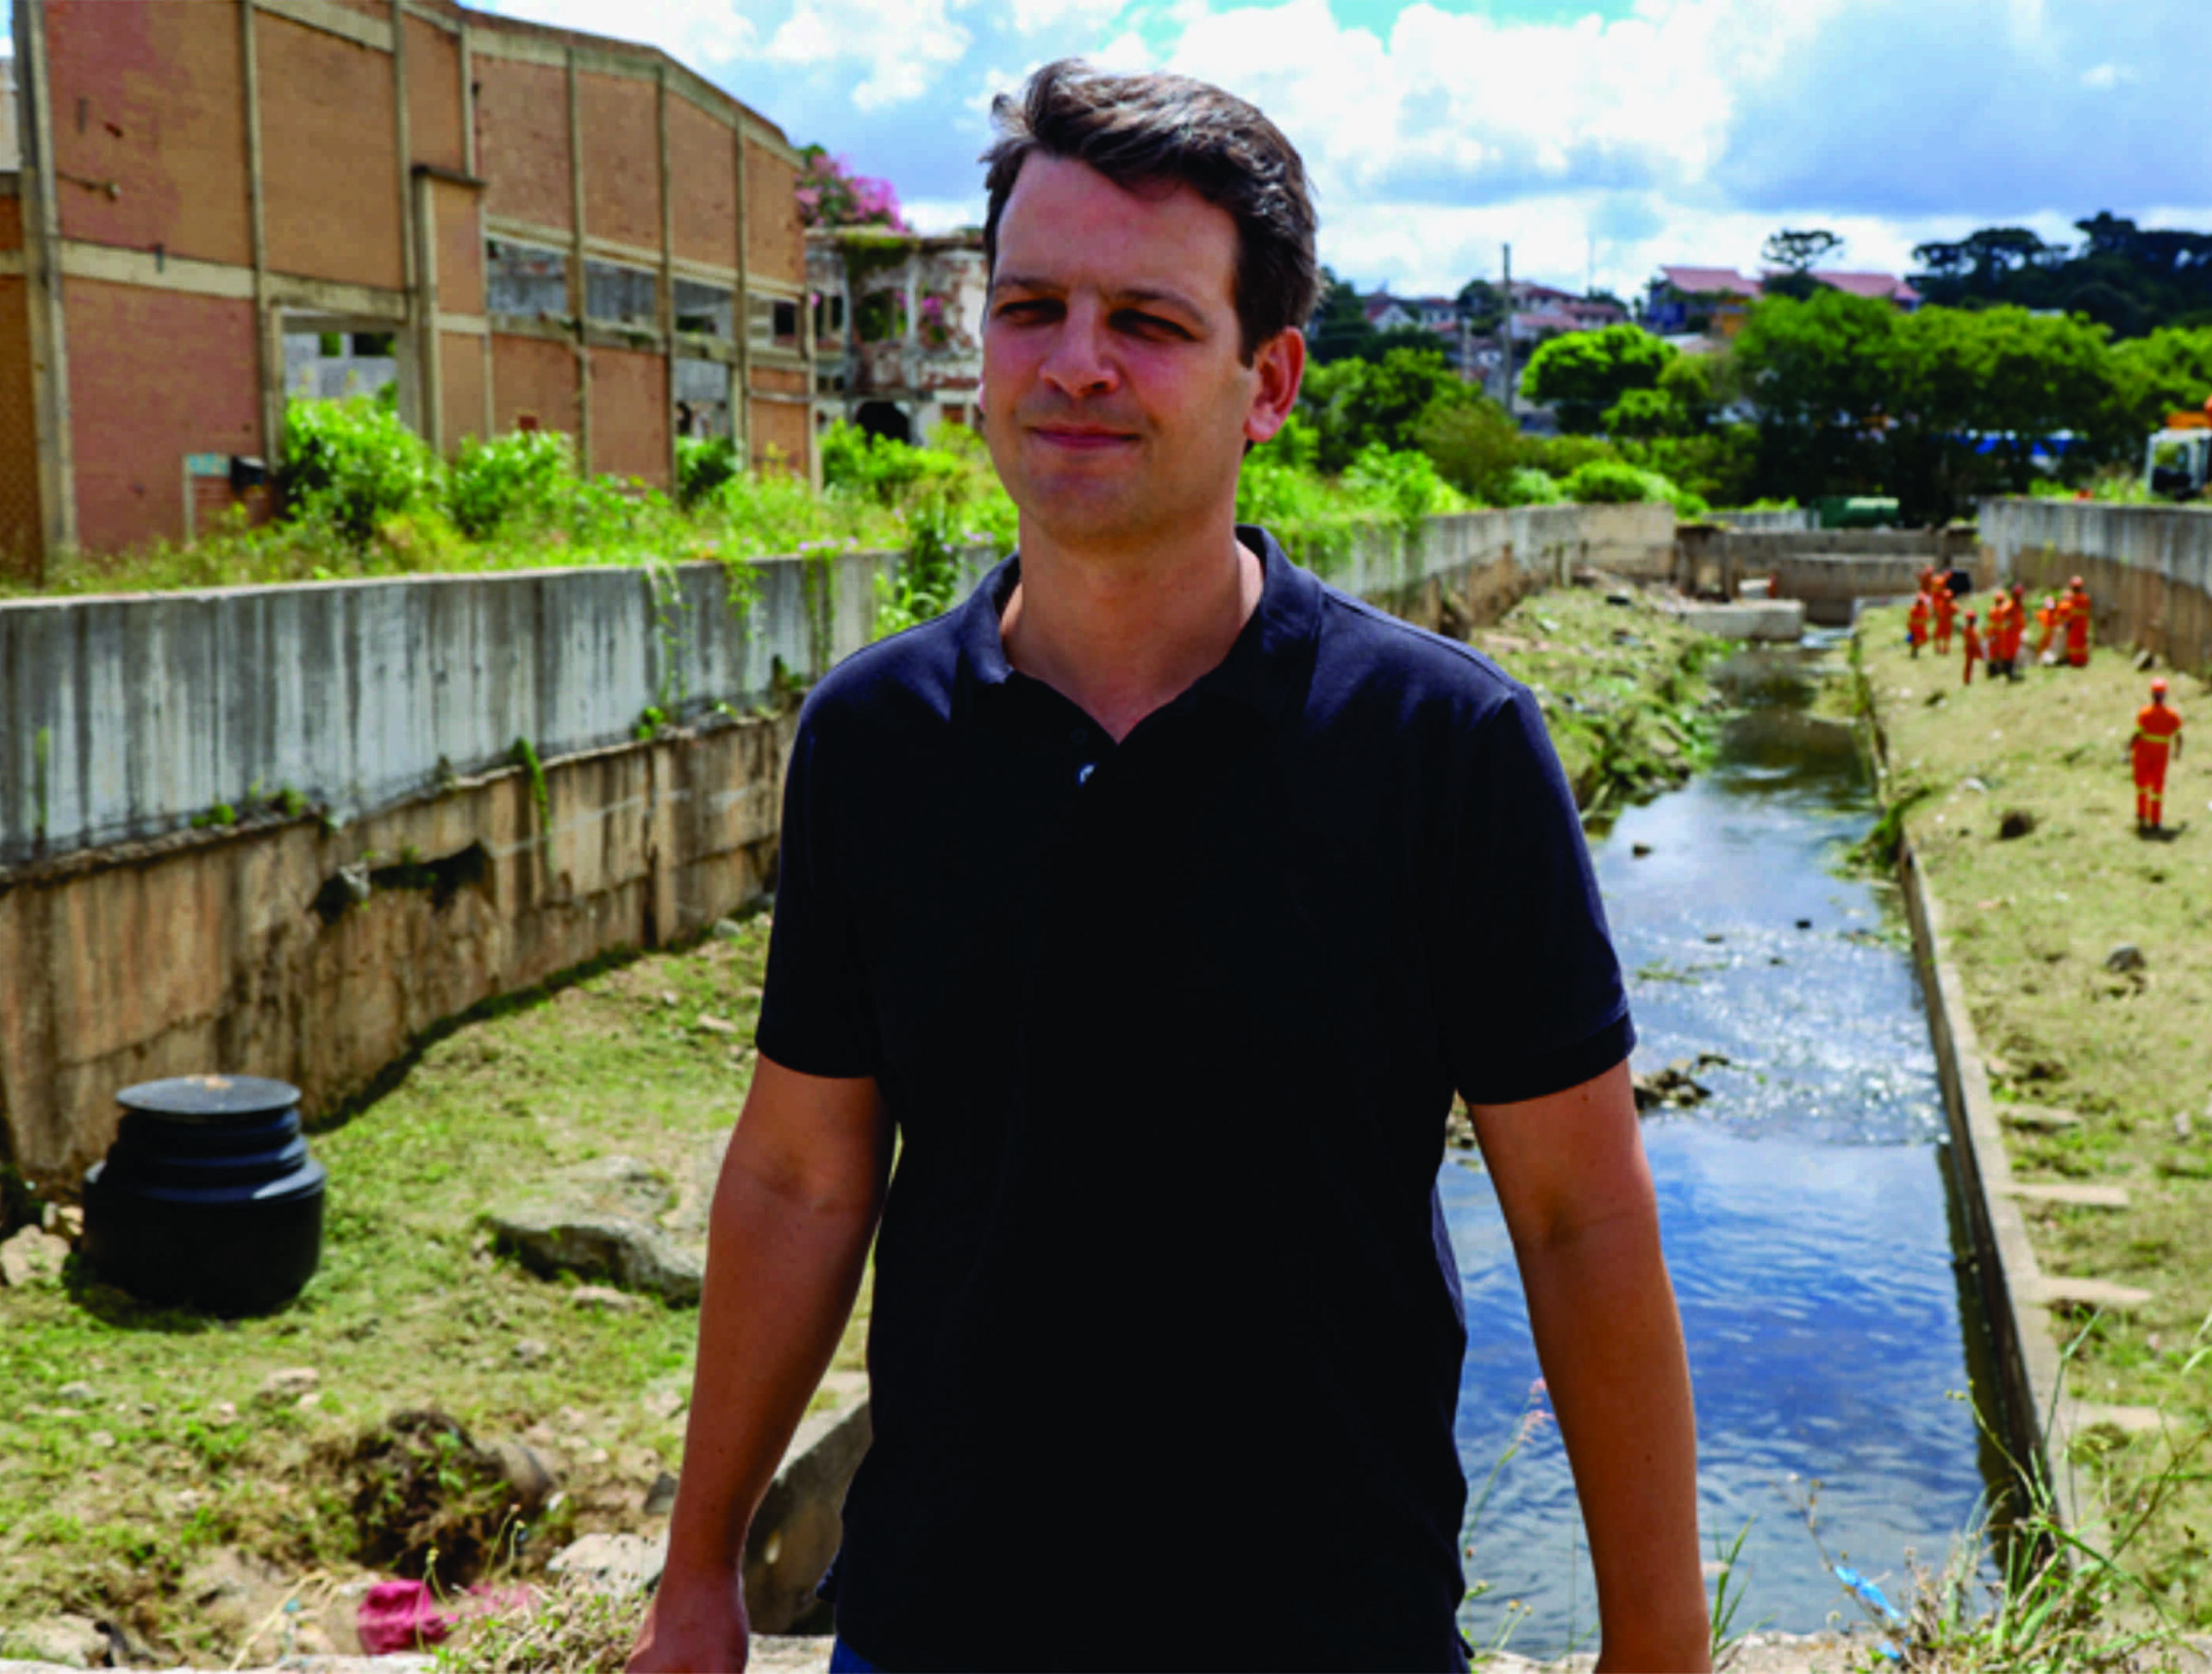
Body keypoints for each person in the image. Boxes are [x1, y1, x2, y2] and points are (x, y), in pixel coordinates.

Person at [627, 61, 1710, 1674]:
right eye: (1030, 308)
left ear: (1267, 382)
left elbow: (1579, 1213)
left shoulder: (1442, 746)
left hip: (1330, 1634)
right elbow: (801, 1172)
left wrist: (1658, 1645)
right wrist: (698, 1571)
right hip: (939, 1627)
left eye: (1146, 319)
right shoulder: (877, 736)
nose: (1075, 363)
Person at [2129, 676, 2183, 830]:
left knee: (2141, 787)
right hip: (2160, 756)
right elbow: (2179, 736)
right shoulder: (2172, 714)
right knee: (2157, 790)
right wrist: (2177, 752)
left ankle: (2141, 817)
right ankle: (2156, 821)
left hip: (2142, 754)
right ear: (2165, 695)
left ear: (2152, 694)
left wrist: (2129, 747)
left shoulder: (2144, 713)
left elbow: (2137, 734)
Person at [2063, 576, 2093, 667]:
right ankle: (2082, 660)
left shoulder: (2074, 598)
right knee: (2082, 643)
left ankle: (2075, 661)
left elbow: (2072, 612)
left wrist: (2068, 622)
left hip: (2075, 624)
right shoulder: (2085, 598)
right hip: (2083, 624)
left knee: (2074, 643)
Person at [1961, 613, 1983, 687]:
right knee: (1969, 664)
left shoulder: (1974, 628)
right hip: (1970, 647)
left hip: (1975, 647)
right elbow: (1968, 639)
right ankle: (1967, 679)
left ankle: (1970, 678)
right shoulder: (1966, 629)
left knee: (1972, 663)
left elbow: (1978, 637)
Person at [1907, 589, 1930, 659]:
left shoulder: (1924, 609)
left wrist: (1920, 621)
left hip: (1920, 628)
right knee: (1914, 641)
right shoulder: (1914, 608)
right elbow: (1912, 619)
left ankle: (1915, 651)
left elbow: (1926, 618)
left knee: (1920, 640)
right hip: (1915, 628)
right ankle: (1914, 653)